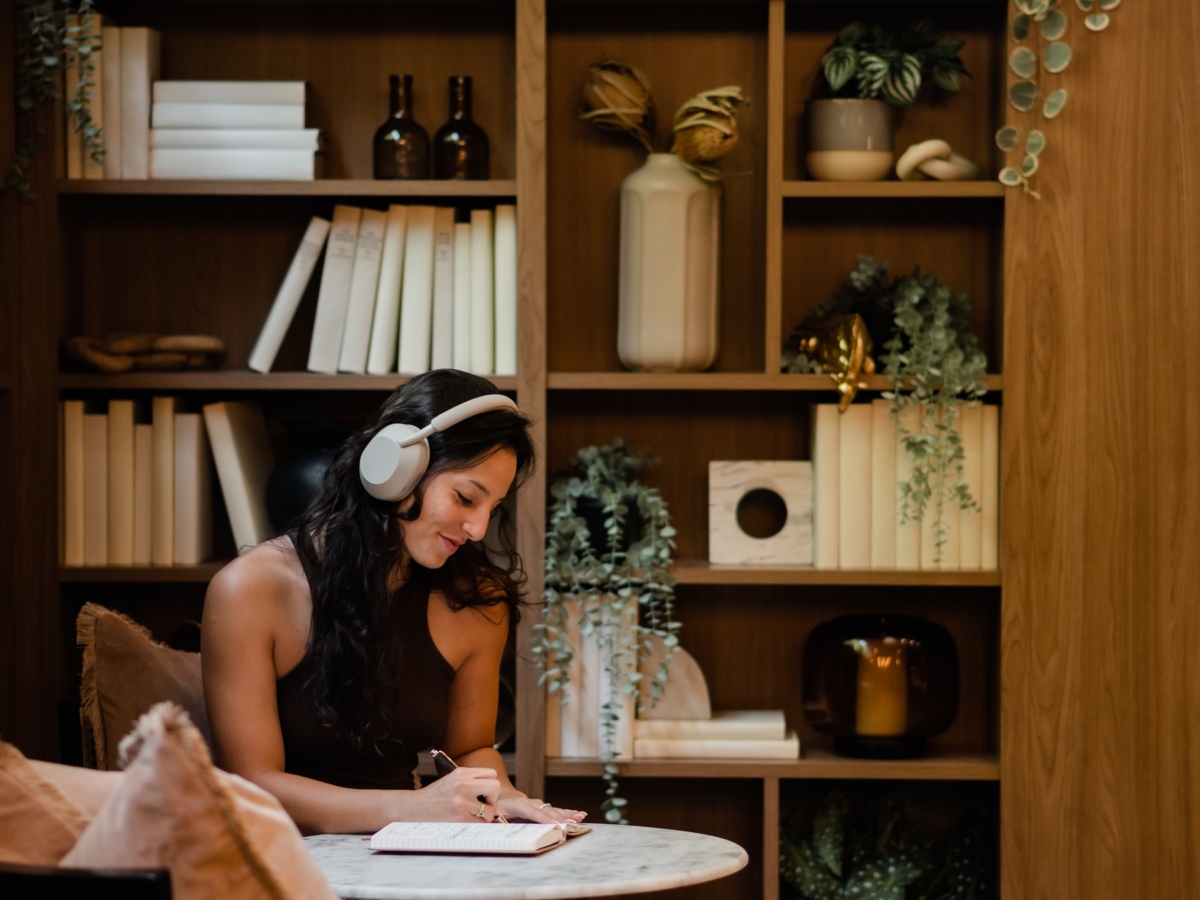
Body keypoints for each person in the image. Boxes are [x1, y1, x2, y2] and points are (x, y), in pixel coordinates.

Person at [202, 370, 586, 835]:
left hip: (411, 853)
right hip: (278, 856)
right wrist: (413, 808)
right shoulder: (249, 591)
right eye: (466, 498)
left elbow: (469, 750)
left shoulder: (478, 603)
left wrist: (504, 796)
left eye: (493, 508)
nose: (479, 529)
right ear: (395, 468)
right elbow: (251, 785)